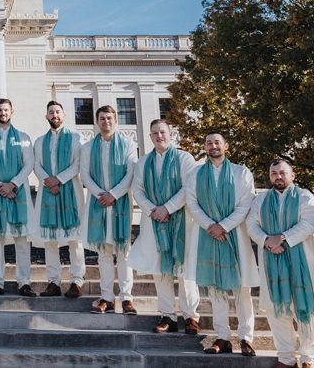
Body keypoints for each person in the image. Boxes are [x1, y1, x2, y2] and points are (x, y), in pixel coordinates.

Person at [183, 133, 259, 356]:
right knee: (216, 289)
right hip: (208, 235)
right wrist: (210, 226)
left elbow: (246, 203)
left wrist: (223, 226)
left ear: (226, 146)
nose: (213, 146)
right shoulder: (195, 174)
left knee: (242, 289)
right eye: (209, 143)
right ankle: (223, 337)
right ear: (205, 147)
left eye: (217, 142)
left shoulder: (241, 172)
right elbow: (192, 203)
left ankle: (246, 338)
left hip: (235, 235)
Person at [247, 157, 314, 368]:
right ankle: (286, 358)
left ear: (292, 175)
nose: (278, 177)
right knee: (276, 310)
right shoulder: (261, 199)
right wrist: (266, 241)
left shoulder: (305, 196)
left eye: (282, 173)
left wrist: (282, 238)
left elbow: (310, 222)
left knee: (304, 310)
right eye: (274, 173)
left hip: (301, 262)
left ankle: (309, 358)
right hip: (271, 261)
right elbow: (251, 224)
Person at [129, 119, 199, 333]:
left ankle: (190, 316)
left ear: (171, 134)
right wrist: (153, 210)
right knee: (160, 269)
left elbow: (189, 187)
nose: (159, 136)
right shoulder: (143, 162)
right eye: (155, 133)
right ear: (150, 136)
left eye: (162, 132)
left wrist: (167, 208)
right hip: (154, 221)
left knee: (184, 269)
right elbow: (137, 189)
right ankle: (167, 315)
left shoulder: (184, 158)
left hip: (182, 220)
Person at [80, 104, 138, 314]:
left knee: (123, 252)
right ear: (97, 122)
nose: (106, 122)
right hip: (98, 204)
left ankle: (126, 297)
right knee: (104, 253)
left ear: (116, 120)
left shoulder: (128, 144)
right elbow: (85, 174)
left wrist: (113, 194)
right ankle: (106, 297)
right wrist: (100, 194)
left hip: (120, 203)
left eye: (109, 118)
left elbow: (131, 172)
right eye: (102, 118)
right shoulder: (88, 147)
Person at [0, 98, 36, 297]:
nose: (3, 113)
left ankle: (24, 282)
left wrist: (13, 184)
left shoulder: (23, 137)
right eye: (0, 110)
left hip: (18, 193)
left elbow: (29, 164)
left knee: (21, 239)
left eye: (6, 110)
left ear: (12, 112)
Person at [30, 100, 86, 298]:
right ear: (46, 116)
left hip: (70, 191)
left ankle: (77, 281)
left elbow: (78, 163)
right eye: (51, 112)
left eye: (57, 112)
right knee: (50, 239)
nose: (54, 115)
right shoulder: (39, 141)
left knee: (74, 238)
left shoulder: (75, 138)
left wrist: (59, 179)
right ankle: (53, 281)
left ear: (64, 114)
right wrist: (47, 181)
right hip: (48, 192)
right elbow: (35, 164)